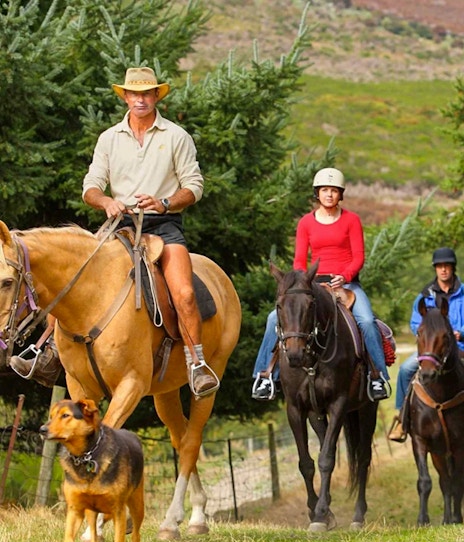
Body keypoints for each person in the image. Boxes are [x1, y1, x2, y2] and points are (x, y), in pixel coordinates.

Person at [10, 67, 219, 398]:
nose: (140, 99)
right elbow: (90, 185)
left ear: (156, 96)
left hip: (163, 225)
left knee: (185, 293)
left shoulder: (176, 136)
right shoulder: (109, 138)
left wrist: (164, 202)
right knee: (72, 279)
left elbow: (194, 186)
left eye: (147, 93)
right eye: (134, 93)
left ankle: (197, 364)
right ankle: (46, 353)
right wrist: (106, 201)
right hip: (118, 226)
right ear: (125, 96)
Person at [252, 167, 391, 401]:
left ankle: (377, 377)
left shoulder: (352, 220)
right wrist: (304, 281)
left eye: (334, 190)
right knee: (273, 319)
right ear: (318, 193)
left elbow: (358, 257)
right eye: (325, 190)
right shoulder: (306, 223)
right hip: (313, 284)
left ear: (340, 194)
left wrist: (345, 276)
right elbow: (299, 259)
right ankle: (265, 376)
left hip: (346, 285)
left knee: (366, 321)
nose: (329, 194)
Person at [388, 247, 464, 442]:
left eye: (447, 266)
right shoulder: (425, 297)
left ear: (453, 268)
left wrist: (460, 333)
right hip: (432, 351)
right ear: (435, 269)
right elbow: (415, 323)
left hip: (460, 348)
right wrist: (427, 337)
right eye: (439, 266)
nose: (443, 270)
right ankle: (402, 420)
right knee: (405, 369)